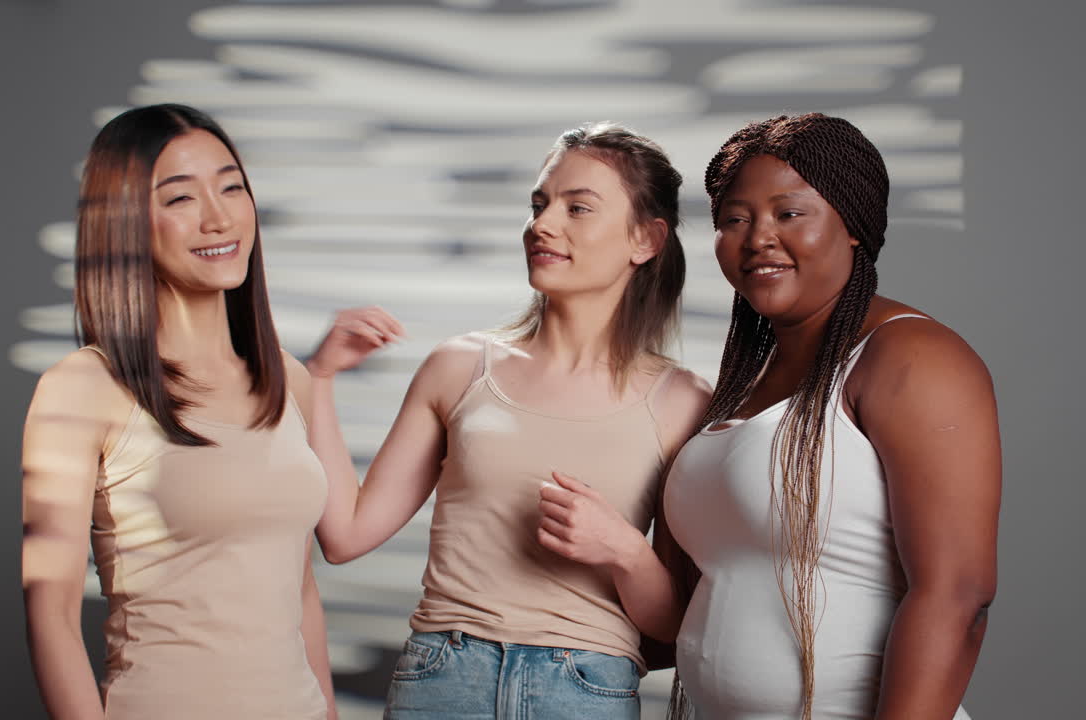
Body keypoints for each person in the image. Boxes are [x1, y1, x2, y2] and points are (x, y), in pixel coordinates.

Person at [302, 122, 711, 719]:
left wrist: (625, 551)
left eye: (578, 208)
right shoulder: (458, 367)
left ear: (646, 239)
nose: (543, 225)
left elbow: (674, 624)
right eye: (539, 205)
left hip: (585, 688)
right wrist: (318, 379)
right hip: (443, 679)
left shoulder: (683, 402)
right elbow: (344, 535)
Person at [659, 113, 1001, 720]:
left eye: (789, 213)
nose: (758, 237)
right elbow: (682, 611)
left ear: (853, 228)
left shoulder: (912, 358)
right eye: (735, 219)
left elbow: (957, 595)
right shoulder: (745, 382)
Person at [21, 104, 337, 720]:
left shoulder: (288, 378)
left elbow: (298, 592)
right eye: (180, 199)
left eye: (231, 186)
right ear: (126, 224)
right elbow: (51, 612)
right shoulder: (83, 388)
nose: (219, 217)